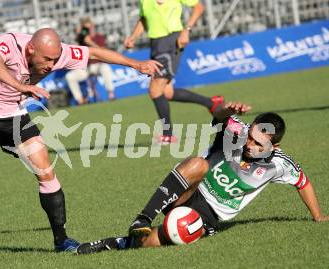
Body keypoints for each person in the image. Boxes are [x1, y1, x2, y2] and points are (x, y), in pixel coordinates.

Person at [0, 28, 162, 252]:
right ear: (31, 49)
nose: (51, 65)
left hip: (13, 115)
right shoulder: (9, 44)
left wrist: (135, 64)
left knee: (45, 171)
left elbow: (93, 53)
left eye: (55, 60)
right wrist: (19, 86)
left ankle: (61, 240)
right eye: (47, 60)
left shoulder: (56, 53)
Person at [76, 101, 329, 254]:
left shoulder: (280, 164)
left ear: (275, 144)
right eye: (250, 135)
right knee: (199, 163)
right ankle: (142, 218)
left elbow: (303, 182)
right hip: (190, 189)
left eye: (258, 142)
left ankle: (113, 243)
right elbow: (218, 115)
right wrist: (226, 110)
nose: (249, 143)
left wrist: (317, 216)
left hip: (208, 217)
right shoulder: (236, 130)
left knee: (159, 239)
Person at [124, 0, 224, 144]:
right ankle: (211, 103)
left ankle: (168, 135)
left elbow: (199, 7)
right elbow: (144, 18)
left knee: (155, 90)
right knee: (167, 92)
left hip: (172, 41)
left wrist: (186, 30)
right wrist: (134, 36)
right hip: (156, 45)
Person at [65, 17, 115, 104]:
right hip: (85, 67)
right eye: (85, 28)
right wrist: (78, 36)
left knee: (106, 68)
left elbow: (104, 52)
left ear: (92, 26)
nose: (87, 30)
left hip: (97, 65)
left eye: (88, 27)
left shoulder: (99, 37)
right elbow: (73, 51)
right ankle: (80, 100)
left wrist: (90, 43)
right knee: (70, 76)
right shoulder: (81, 39)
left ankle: (111, 94)